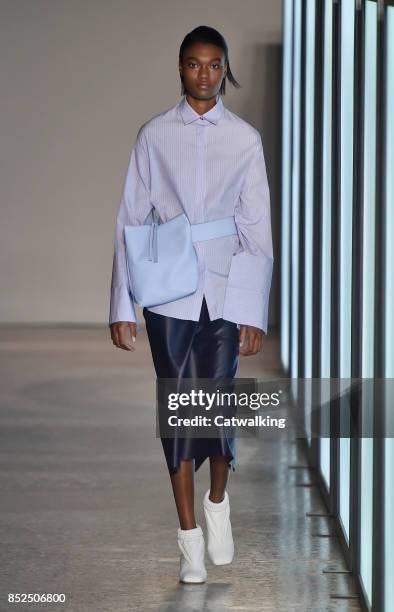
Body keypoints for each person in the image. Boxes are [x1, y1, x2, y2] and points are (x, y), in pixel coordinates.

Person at [109, 25, 274, 583]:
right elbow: (132, 220)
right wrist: (121, 304)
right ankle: (187, 538)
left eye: (212, 64)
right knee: (177, 417)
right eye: (192, 64)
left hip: (226, 290)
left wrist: (254, 309)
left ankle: (218, 504)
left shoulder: (244, 139)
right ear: (179, 69)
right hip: (170, 292)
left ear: (224, 69)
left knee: (220, 407)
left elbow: (257, 228)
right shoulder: (154, 135)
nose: (203, 73)